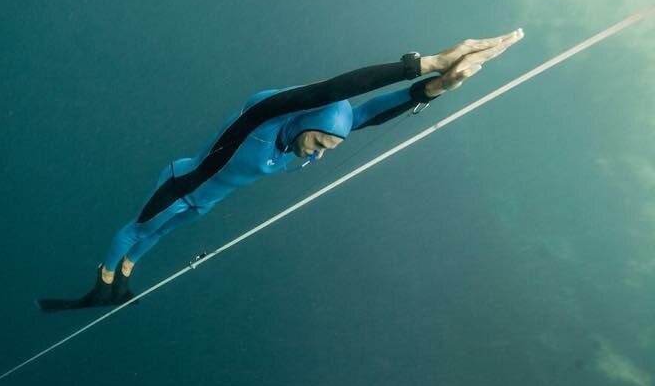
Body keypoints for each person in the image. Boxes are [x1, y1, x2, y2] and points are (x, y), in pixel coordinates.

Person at [39, 30, 523, 311]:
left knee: (160, 237)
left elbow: (372, 111)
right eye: (320, 141)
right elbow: (333, 89)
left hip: (204, 201)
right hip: (180, 184)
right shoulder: (263, 118)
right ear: (307, 121)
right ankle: (101, 278)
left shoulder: (318, 134)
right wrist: (423, 63)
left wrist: (438, 87)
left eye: (330, 146)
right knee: (139, 226)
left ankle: (124, 273)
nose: (320, 152)